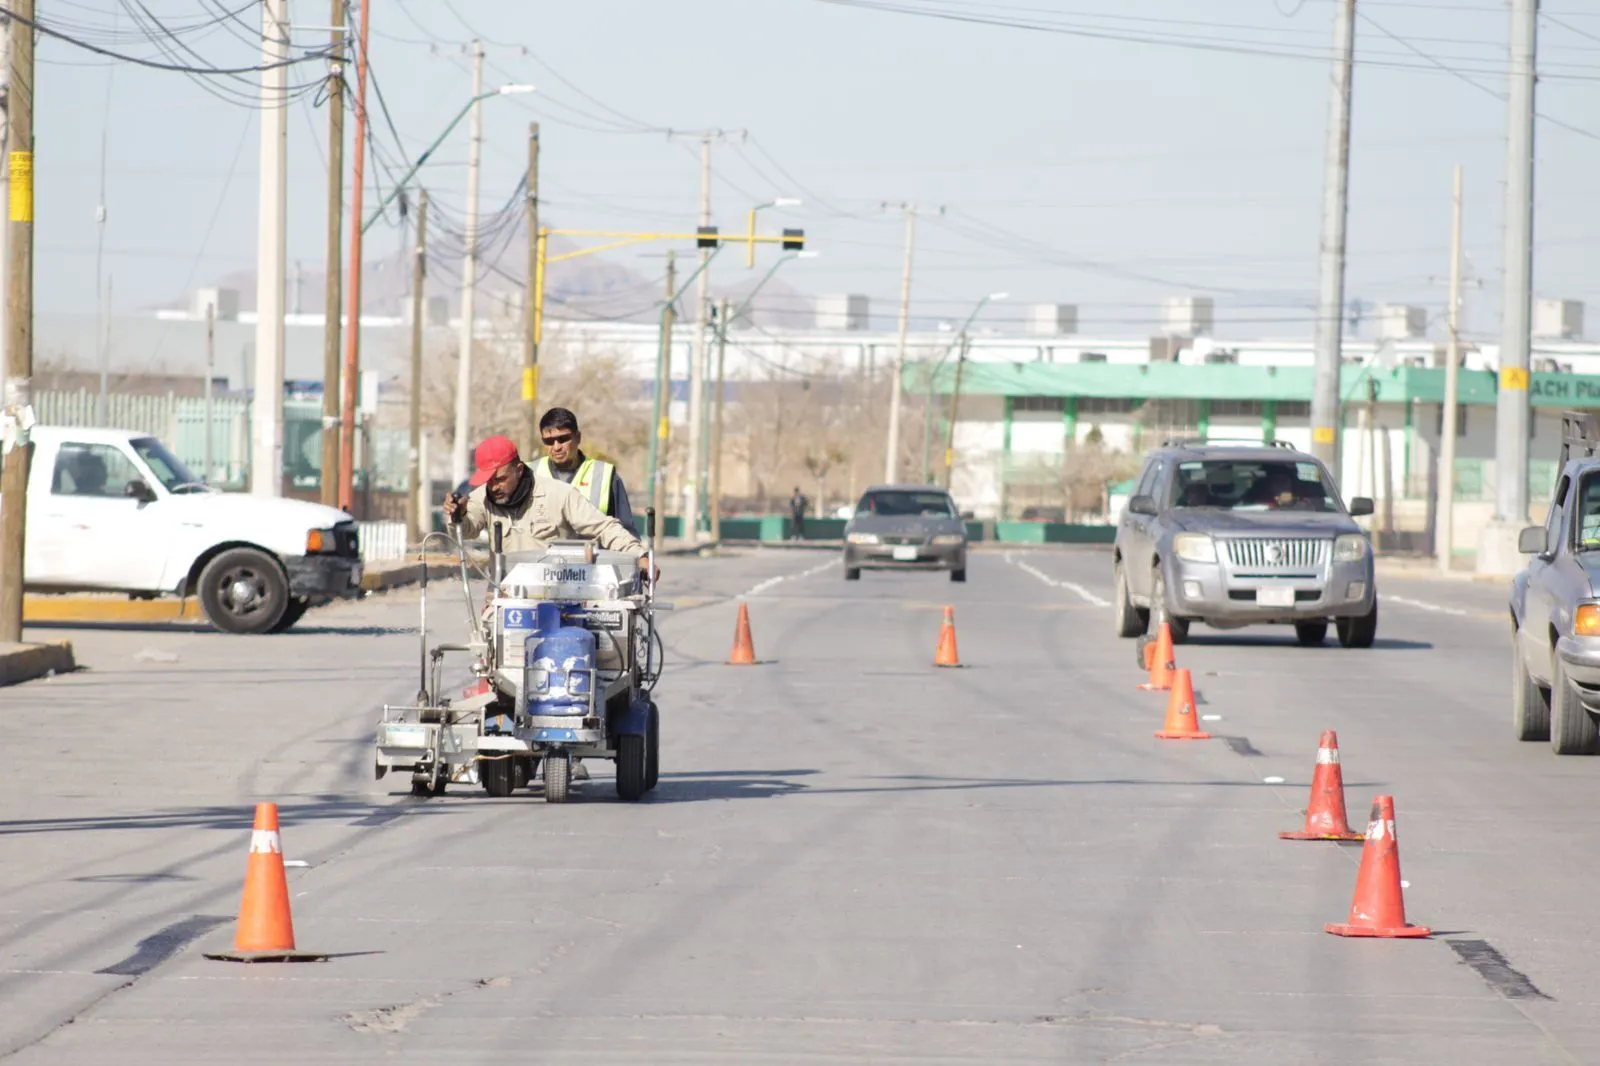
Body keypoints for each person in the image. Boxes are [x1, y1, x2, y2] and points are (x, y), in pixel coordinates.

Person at [442, 435, 653, 785]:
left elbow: (604, 527)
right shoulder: (486, 498)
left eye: (499, 478)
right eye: (487, 480)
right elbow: (468, 524)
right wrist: (457, 515)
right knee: (494, 656)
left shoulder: (557, 495)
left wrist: (639, 555)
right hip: (512, 603)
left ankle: (572, 725)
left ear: (518, 468)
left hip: (566, 600)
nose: (493, 487)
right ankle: (511, 738)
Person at [531, 407, 637, 534]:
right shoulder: (530, 474)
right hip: (542, 554)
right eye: (549, 441)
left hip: (594, 553)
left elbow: (625, 532)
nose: (556, 447)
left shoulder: (605, 476)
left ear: (578, 437)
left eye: (563, 439)